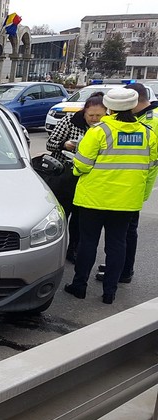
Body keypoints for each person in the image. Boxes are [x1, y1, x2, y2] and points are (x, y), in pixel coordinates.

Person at [63, 87, 158, 304]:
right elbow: (152, 168)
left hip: (93, 198)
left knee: (88, 242)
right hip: (126, 201)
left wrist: (78, 169)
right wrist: (141, 195)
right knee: (117, 244)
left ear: (110, 108)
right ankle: (109, 292)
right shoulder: (147, 133)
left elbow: (81, 165)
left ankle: (79, 286)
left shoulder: (99, 132)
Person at [96, 83, 158, 283]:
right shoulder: (141, 118)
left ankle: (124, 271)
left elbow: (151, 163)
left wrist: (143, 191)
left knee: (127, 233)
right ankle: (118, 265)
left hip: (133, 187)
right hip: (129, 186)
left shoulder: (152, 121)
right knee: (122, 233)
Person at [45, 92, 106, 263]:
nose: (94, 119)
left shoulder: (105, 128)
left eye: (99, 115)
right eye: (91, 115)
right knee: (60, 217)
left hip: (88, 179)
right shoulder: (69, 121)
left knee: (80, 221)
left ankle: (73, 250)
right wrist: (65, 144)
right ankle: (53, 251)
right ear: (84, 112)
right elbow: (50, 143)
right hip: (64, 176)